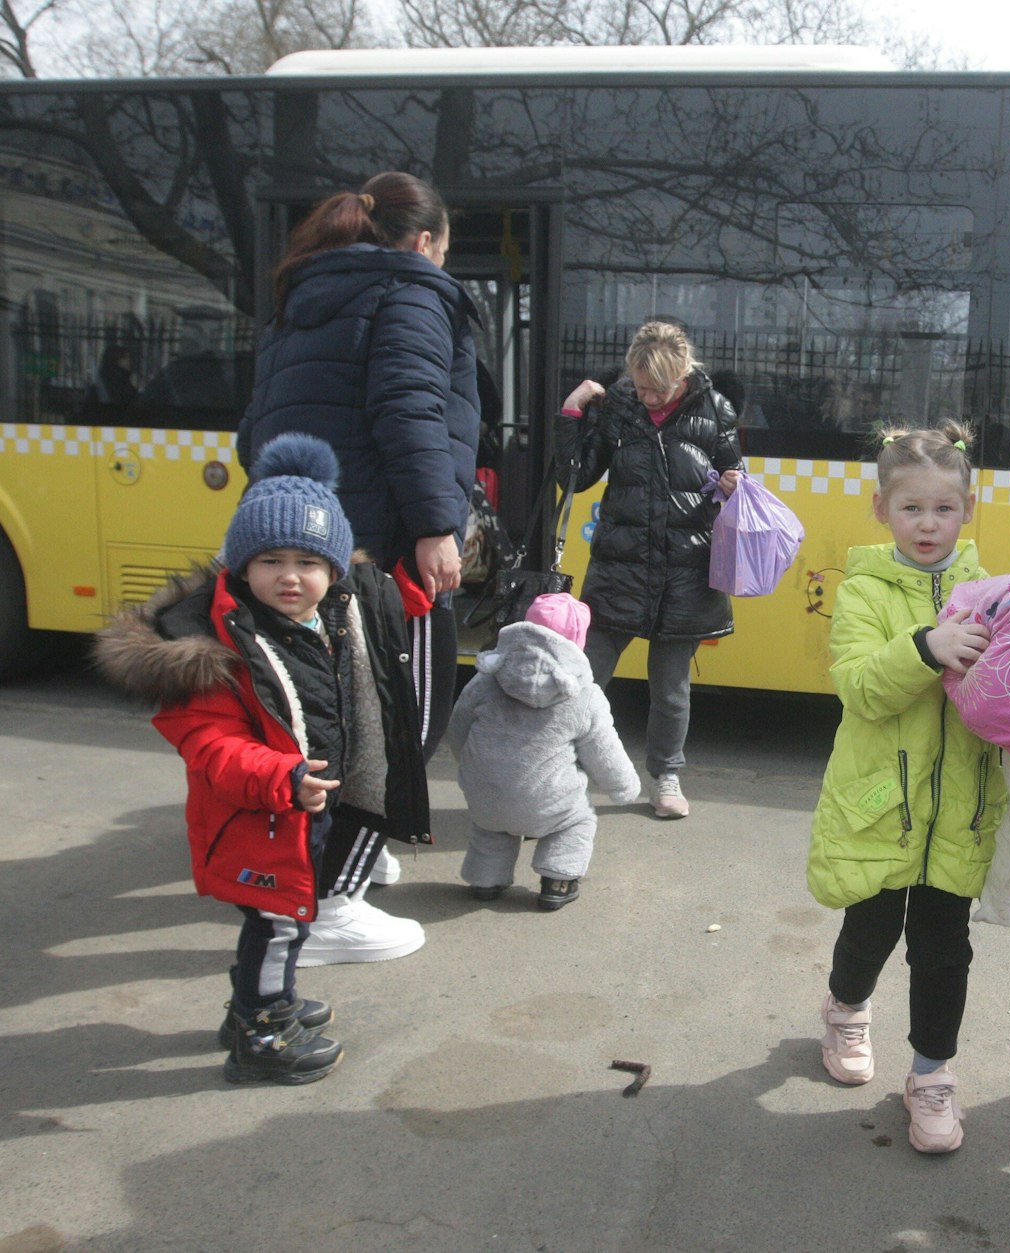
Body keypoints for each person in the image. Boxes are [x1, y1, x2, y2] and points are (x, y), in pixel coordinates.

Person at [93, 434, 430, 1085]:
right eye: (270, 559)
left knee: (286, 924)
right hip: (259, 817)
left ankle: (256, 1002)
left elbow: (390, 601)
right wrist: (282, 776)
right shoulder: (218, 646)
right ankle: (261, 1029)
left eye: (308, 559)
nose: (290, 575)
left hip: (300, 812)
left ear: (335, 570)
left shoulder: (329, 618)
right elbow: (211, 746)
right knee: (278, 926)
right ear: (241, 567)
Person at [237, 172, 481, 963]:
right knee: (398, 723)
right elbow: (411, 412)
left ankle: (344, 860)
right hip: (382, 549)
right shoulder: (410, 292)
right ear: (423, 242)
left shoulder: (304, 295)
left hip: (317, 547)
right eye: (445, 250)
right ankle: (332, 902)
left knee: (329, 716)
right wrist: (438, 524)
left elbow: (256, 432)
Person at [805, 422, 1009, 1156]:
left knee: (945, 948)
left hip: (960, 813)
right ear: (881, 509)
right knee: (871, 931)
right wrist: (926, 648)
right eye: (911, 508)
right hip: (880, 811)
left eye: (944, 509)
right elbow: (860, 686)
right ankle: (847, 1007)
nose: (928, 524)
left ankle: (931, 1074)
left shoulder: (991, 594)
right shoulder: (861, 590)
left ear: (968, 508)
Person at [558, 320, 745, 820]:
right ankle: (565, 769)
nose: (647, 397)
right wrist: (574, 410)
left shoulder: (715, 409)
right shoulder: (619, 405)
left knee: (670, 688)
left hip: (686, 567)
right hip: (621, 564)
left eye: (657, 389)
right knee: (586, 673)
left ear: (683, 374)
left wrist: (733, 484)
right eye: (639, 386)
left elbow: (737, 474)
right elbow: (576, 476)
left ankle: (666, 775)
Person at [447, 592, 641, 911]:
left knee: (490, 824)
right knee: (576, 819)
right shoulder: (583, 694)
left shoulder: (486, 679)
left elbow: (458, 729)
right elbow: (604, 753)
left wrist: (469, 766)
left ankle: (485, 879)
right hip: (546, 803)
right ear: (578, 642)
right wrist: (625, 788)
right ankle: (558, 880)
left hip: (484, 795)